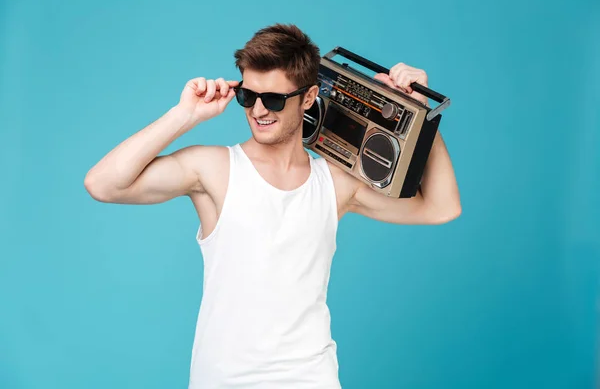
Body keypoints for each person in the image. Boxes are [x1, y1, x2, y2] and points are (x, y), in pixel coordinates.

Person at [84, 23, 461, 389]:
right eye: (249, 97)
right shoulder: (213, 169)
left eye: (275, 99)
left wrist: (424, 111)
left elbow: (441, 208)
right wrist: (184, 116)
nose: (259, 111)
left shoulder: (334, 183)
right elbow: (102, 184)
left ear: (309, 97)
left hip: (310, 378)